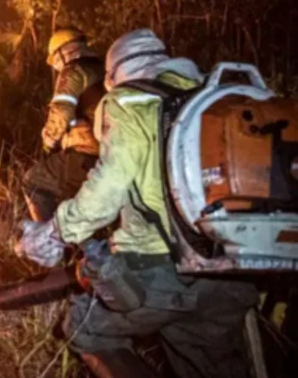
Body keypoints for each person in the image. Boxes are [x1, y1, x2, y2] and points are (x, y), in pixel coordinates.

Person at [15, 29, 259, 378]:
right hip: (232, 272)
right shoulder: (208, 100)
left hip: (161, 271)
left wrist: (54, 232)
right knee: (202, 356)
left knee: (85, 329)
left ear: (112, 77)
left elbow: (107, 188)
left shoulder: (128, 102)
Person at [22, 27, 105, 221]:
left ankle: (46, 237)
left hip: (87, 154)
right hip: (114, 153)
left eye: (55, 59)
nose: (56, 65)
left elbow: (61, 112)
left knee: (33, 182)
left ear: (62, 53)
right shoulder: (102, 68)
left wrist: (48, 143)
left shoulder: (73, 71)